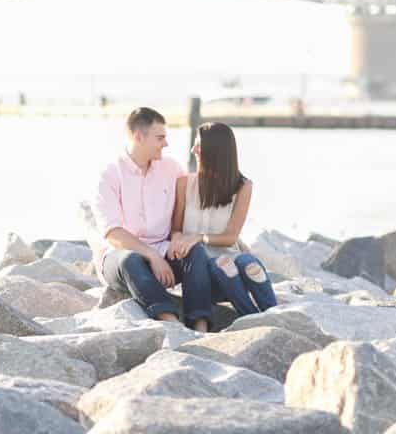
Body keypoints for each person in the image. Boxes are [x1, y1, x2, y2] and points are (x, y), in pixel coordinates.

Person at [91, 107, 213, 328]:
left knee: (194, 252)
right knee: (131, 260)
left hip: (164, 251)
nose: (165, 144)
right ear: (139, 137)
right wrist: (152, 257)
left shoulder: (171, 168)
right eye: (160, 138)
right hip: (121, 260)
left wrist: (180, 238)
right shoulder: (109, 174)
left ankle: (200, 325)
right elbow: (113, 233)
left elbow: (193, 203)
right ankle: (170, 321)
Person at [169, 122, 276, 319]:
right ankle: (251, 316)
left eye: (199, 145)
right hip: (203, 270)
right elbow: (175, 229)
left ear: (217, 150)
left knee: (248, 262)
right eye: (194, 144)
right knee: (222, 264)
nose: (194, 150)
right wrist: (179, 240)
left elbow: (230, 237)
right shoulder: (184, 183)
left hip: (232, 261)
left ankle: (274, 312)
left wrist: (199, 237)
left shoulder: (243, 186)